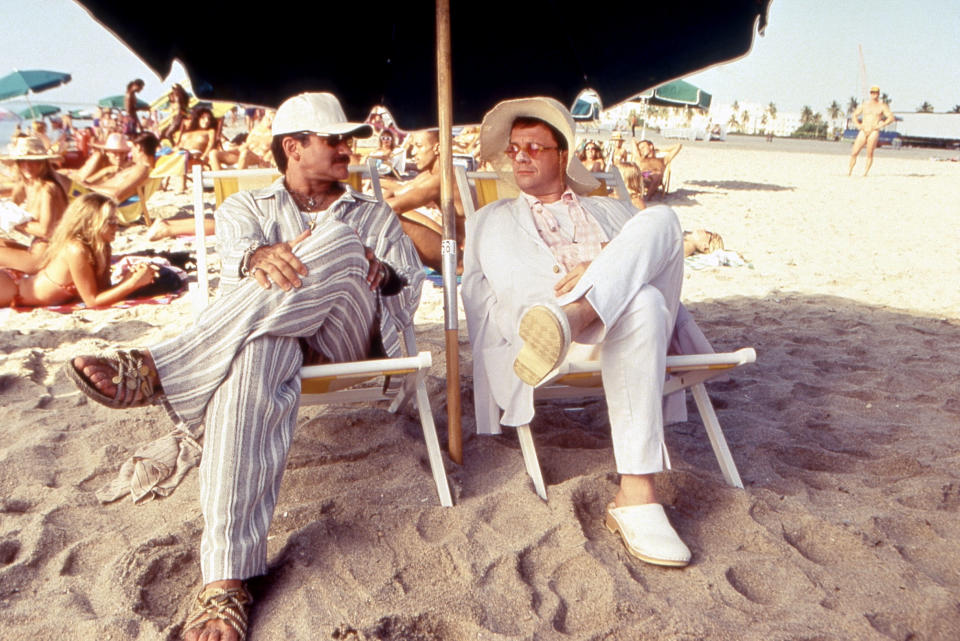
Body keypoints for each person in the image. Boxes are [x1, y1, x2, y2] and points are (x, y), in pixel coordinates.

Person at [66, 92, 423, 641]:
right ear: (293, 147)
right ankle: (225, 580)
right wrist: (256, 256)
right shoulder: (245, 208)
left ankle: (165, 367)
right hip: (270, 333)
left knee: (342, 242)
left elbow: (410, 288)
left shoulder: (372, 213)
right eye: (334, 139)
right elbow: (242, 286)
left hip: (352, 336)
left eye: (348, 140)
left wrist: (378, 268)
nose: (347, 149)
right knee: (257, 350)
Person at [463, 97, 702, 570]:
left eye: (535, 146)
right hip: (548, 337)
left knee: (662, 220)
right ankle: (636, 495)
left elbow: (652, 257)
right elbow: (501, 294)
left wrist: (599, 268)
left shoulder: (611, 210)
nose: (522, 156)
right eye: (514, 149)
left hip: (613, 332)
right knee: (646, 301)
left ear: (562, 155)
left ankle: (578, 312)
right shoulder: (492, 219)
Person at [0, 192, 158, 308]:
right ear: (90, 224)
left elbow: (103, 291)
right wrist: (132, 283)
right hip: (12, 289)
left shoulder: (102, 246)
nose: (116, 226)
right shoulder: (76, 250)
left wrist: (130, 277)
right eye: (109, 222)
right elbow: (92, 301)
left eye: (115, 221)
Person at [380, 128, 466, 272]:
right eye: (413, 146)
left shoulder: (442, 178)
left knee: (390, 216)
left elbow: (391, 207)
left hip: (461, 257)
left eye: (419, 146)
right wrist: (380, 184)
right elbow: (399, 191)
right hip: (454, 243)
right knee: (401, 213)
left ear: (437, 147)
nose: (413, 152)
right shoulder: (432, 174)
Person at [0, 136, 69, 273]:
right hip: (41, 249)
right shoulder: (30, 184)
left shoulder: (47, 189)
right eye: (22, 161)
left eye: (33, 162)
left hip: (45, 257)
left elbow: (45, 231)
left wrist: (12, 220)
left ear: (43, 163)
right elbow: (11, 193)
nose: (27, 166)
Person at [80, 132, 159, 203]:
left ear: (138, 147)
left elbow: (116, 194)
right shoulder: (140, 167)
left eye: (132, 148)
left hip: (91, 199)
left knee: (67, 183)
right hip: (92, 195)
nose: (131, 152)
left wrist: (89, 187)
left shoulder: (141, 169)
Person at [848, 85, 894, 177]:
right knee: (854, 152)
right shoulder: (865, 105)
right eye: (872, 93)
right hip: (864, 129)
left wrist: (882, 124)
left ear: (878, 94)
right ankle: (850, 171)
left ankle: (865, 173)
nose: (874, 95)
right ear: (870, 94)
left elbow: (891, 117)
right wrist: (858, 125)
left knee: (869, 153)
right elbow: (854, 115)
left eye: (876, 93)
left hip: (874, 131)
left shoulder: (882, 106)